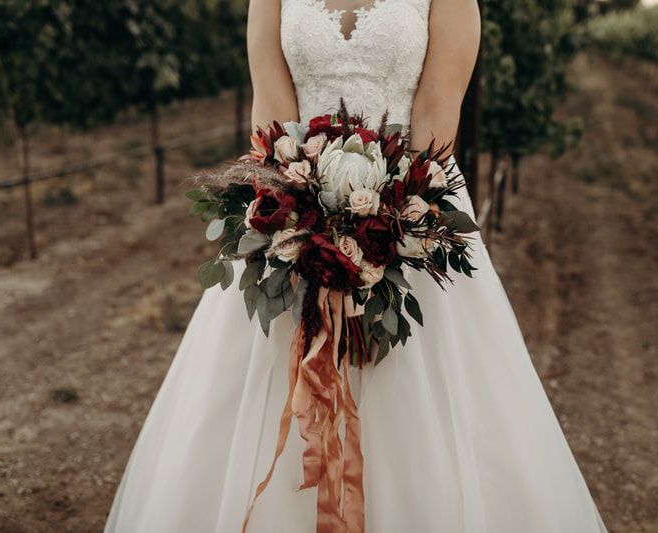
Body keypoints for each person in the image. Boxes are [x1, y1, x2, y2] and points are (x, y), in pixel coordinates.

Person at [105, 1, 608, 531]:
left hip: (410, 209)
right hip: (295, 210)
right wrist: (306, 228)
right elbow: (270, 123)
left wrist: (378, 236)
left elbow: (436, 123)